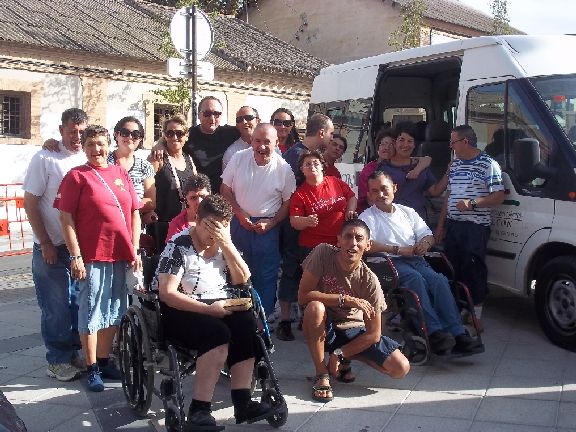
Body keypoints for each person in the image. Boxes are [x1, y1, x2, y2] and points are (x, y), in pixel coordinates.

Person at [157, 195, 275, 430]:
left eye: (221, 227)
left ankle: (243, 402)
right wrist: (207, 310)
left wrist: (227, 244)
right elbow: (167, 293)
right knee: (218, 333)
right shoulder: (179, 245)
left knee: (247, 325)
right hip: (184, 308)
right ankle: (199, 409)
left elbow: (243, 279)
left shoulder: (223, 244)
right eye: (209, 226)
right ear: (198, 220)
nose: (214, 233)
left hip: (221, 304)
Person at [55, 125, 142, 392]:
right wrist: (75, 255)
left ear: (109, 145)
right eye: (90, 144)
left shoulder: (120, 173)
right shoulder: (76, 176)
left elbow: (134, 212)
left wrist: (135, 249)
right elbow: (66, 218)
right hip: (92, 255)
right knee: (91, 310)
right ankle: (91, 367)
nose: (96, 149)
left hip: (120, 254)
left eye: (101, 144)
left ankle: (104, 361)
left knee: (114, 310)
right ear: (84, 147)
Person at [360, 171, 483, 355]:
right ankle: (433, 333)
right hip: (387, 264)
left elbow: (427, 235)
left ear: (394, 188)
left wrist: (424, 244)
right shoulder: (367, 217)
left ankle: (458, 333)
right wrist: (398, 249)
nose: (381, 194)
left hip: (415, 259)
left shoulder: (407, 212)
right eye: (375, 191)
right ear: (369, 195)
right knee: (414, 279)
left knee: (439, 280)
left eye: (384, 189)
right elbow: (365, 245)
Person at [298, 219, 410, 403]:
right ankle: (321, 374)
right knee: (315, 307)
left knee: (400, 368)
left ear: (368, 245)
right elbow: (303, 296)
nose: (353, 243)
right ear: (339, 240)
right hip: (323, 324)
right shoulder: (323, 252)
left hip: (353, 330)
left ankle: (343, 359)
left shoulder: (370, 281)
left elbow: (374, 334)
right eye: (348, 237)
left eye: (359, 238)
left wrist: (340, 353)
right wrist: (344, 299)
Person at [23, 108, 88, 382]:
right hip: (51, 246)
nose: (77, 137)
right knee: (56, 306)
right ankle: (57, 360)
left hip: (77, 248)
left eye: (82, 131)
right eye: (72, 131)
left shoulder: (89, 156)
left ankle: (72, 353)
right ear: (61, 130)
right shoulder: (45, 158)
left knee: (76, 304)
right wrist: (46, 242)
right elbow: (30, 202)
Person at [276, 150, 356, 341]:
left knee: (332, 285)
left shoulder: (335, 182)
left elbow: (351, 197)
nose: (312, 166)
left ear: (322, 166)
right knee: (309, 284)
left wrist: (350, 211)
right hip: (311, 248)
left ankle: (325, 322)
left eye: (315, 163)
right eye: (307, 164)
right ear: (302, 170)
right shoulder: (300, 194)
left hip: (338, 244)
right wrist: (306, 221)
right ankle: (294, 322)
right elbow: (294, 221)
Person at [220, 123, 296, 316]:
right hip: (238, 223)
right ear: (251, 141)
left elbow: (288, 203)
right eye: (257, 141)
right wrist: (239, 214)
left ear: (276, 143)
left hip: (268, 228)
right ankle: (237, 316)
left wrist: (272, 223)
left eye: (267, 142)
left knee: (265, 276)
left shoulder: (284, 169)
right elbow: (225, 189)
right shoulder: (238, 158)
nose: (261, 147)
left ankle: (263, 319)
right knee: (234, 270)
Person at [436, 125, 505, 318]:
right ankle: (456, 309)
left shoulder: (488, 164)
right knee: (452, 268)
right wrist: (441, 226)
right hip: (453, 225)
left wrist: (472, 203)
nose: (451, 146)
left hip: (475, 227)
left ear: (465, 142)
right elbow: (448, 196)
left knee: (473, 269)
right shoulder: (455, 165)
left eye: (453, 142)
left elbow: (499, 195)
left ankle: (476, 314)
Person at [380, 123, 447, 221]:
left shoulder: (421, 166)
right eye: (401, 140)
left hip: (419, 222)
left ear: (414, 144)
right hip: (392, 221)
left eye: (410, 141)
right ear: (394, 142)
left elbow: (435, 191)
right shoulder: (383, 168)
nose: (406, 145)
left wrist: (449, 171)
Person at [149, 115, 197, 248]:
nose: (174, 137)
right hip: (162, 225)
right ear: (164, 136)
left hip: (186, 225)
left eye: (179, 133)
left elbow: (197, 189)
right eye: (170, 133)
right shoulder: (157, 158)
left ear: (186, 136)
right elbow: (145, 189)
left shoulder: (189, 159)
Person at [357, 128, 430, 214]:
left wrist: (417, 170)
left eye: (391, 145)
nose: (386, 148)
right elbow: (370, 200)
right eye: (383, 144)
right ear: (377, 148)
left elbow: (425, 159)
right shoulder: (370, 169)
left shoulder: (398, 166)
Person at [185, 96, 240, 192]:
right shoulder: (188, 136)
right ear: (199, 115)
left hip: (224, 195)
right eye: (207, 113)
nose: (212, 118)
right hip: (199, 195)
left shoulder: (229, 133)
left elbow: (252, 133)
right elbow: (170, 140)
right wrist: (160, 144)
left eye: (217, 114)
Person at [109, 116, 157, 225]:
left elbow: (150, 201)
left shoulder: (145, 166)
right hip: (107, 224)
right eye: (125, 133)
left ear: (140, 139)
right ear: (116, 135)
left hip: (135, 227)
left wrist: (122, 205)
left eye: (135, 134)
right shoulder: (104, 162)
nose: (130, 137)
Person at [165, 173, 211, 243]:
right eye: (193, 198)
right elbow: (171, 248)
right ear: (186, 200)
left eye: (203, 196)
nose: (199, 201)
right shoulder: (177, 224)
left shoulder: (217, 217)